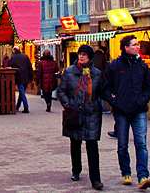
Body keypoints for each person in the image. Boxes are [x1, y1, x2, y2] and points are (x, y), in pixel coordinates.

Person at [105, 35, 150, 189]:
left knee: (141, 143)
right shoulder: (115, 65)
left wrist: (142, 101)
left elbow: (149, 86)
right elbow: (104, 87)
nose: (137, 47)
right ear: (126, 48)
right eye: (134, 45)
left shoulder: (141, 66)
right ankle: (126, 172)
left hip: (139, 110)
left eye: (137, 44)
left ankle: (143, 176)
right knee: (122, 145)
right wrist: (115, 102)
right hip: (121, 112)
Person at [58, 44, 109, 190]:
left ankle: (96, 179)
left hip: (92, 112)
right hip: (75, 112)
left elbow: (102, 91)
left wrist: (114, 100)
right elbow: (62, 90)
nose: (81, 56)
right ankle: (76, 169)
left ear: (89, 57)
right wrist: (68, 105)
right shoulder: (69, 72)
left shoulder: (97, 74)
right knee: (75, 143)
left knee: (92, 145)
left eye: (84, 55)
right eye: (80, 54)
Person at [9, 45, 34, 113]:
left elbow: (11, 66)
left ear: (14, 50)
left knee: (22, 92)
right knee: (21, 91)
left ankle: (26, 107)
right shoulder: (25, 56)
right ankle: (17, 106)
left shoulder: (13, 57)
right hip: (26, 76)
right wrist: (31, 77)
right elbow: (30, 67)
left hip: (18, 76)